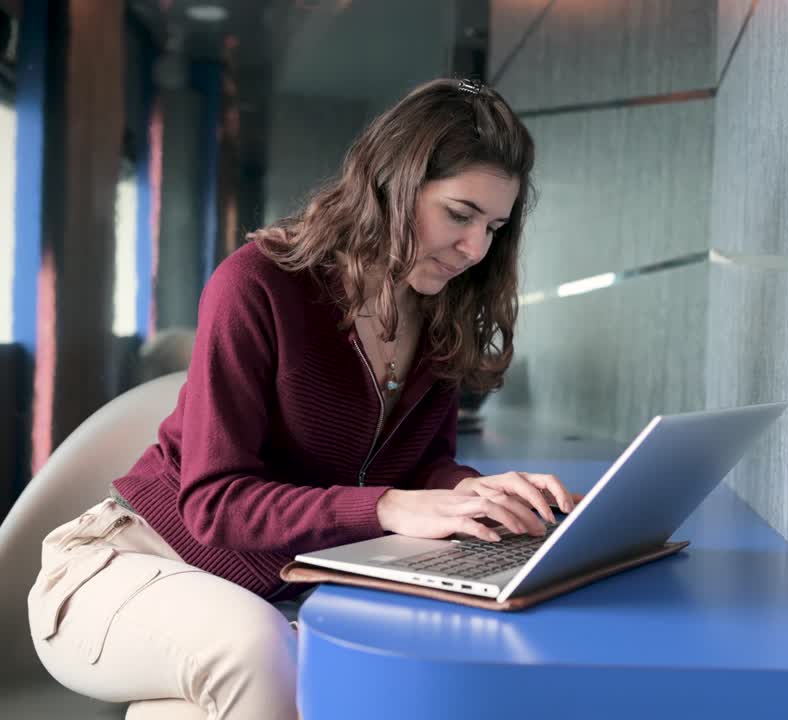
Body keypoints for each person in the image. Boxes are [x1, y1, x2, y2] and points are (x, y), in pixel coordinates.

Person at [27, 78, 573, 720]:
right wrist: (391, 508)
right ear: (389, 184)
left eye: (495, 227)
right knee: (262, 654)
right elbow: (214, 502)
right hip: (118, 570)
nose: (476, 249)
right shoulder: (257, 286)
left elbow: (424, 464)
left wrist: (477, 495)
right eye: (459, 214)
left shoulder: (441, 314)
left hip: (251, 598)